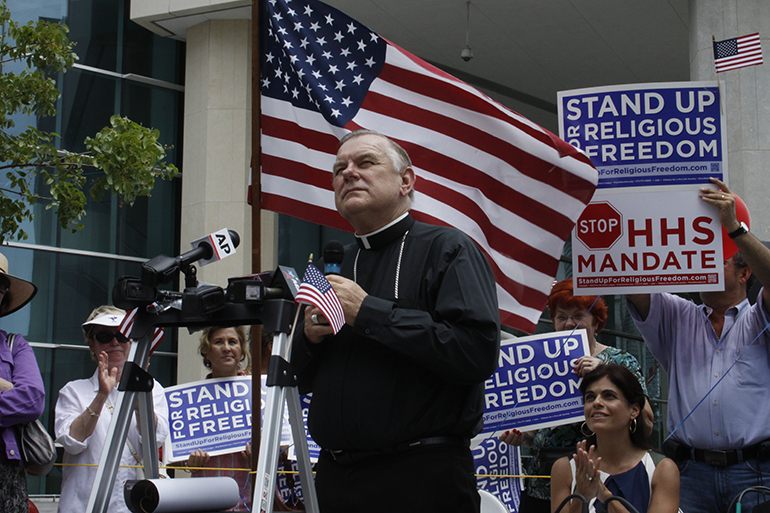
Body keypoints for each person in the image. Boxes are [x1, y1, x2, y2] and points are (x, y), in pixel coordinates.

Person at [292, 129, 501, 512]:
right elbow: (297, 377)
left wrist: (368, 312)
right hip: (336, 479)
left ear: (406, 181)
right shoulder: (326, 267)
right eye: (339, 168)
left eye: (365, 163)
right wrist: (309, 339)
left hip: (421, 478)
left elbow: (476, 353)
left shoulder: (450, 249)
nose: (348, 173)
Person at [626, 177, 770, 513]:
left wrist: (734, 229)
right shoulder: (677, 315)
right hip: (690, 474)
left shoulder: (759, 318)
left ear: (744, 273)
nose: (700, 264)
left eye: (714, 257)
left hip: (755, 471)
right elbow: (629, 274)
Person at [499, 278, 653, 513]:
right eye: (562, 316)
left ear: (596, 322)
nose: (569, 323)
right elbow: (537, 434)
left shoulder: (620, 361)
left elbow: (647, 422)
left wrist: (603, 374)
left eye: (578, 316)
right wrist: (522, 435)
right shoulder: (538, 364)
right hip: (543, 483)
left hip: (600, 481)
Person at [55, 306, 169, 513]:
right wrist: (101, 395)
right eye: (105, 336)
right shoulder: (73, 391)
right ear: (92, 344)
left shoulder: (154, 389)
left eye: (123, 336)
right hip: (82, 507)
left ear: (131, 342)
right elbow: (72, 443)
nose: (115, 342)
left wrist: (139, 396)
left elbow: (156, 439)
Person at [550, 364, 679, 513]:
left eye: (609, 396)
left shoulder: (662, 469)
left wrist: (605, 497)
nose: (597, 403)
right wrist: (581, 495)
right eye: (590, 397)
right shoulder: (565, 468)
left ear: (635, 410)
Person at [185, 326, 253, 512]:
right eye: (218, 342)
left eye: (232, 342)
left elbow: (284, 446)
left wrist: (264, 452)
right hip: (207, 503)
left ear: (241, 351)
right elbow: (174, 454)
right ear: (206, 352)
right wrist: (188, 462)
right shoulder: (188, 400)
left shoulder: (260, 393)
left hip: (250, 503)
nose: (226, 348)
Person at [0, 251, 44, 513]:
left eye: (1, 285)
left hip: (6, 477)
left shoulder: (15, 344)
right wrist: (8, 387)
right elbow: (21, 397)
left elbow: (33, 400)